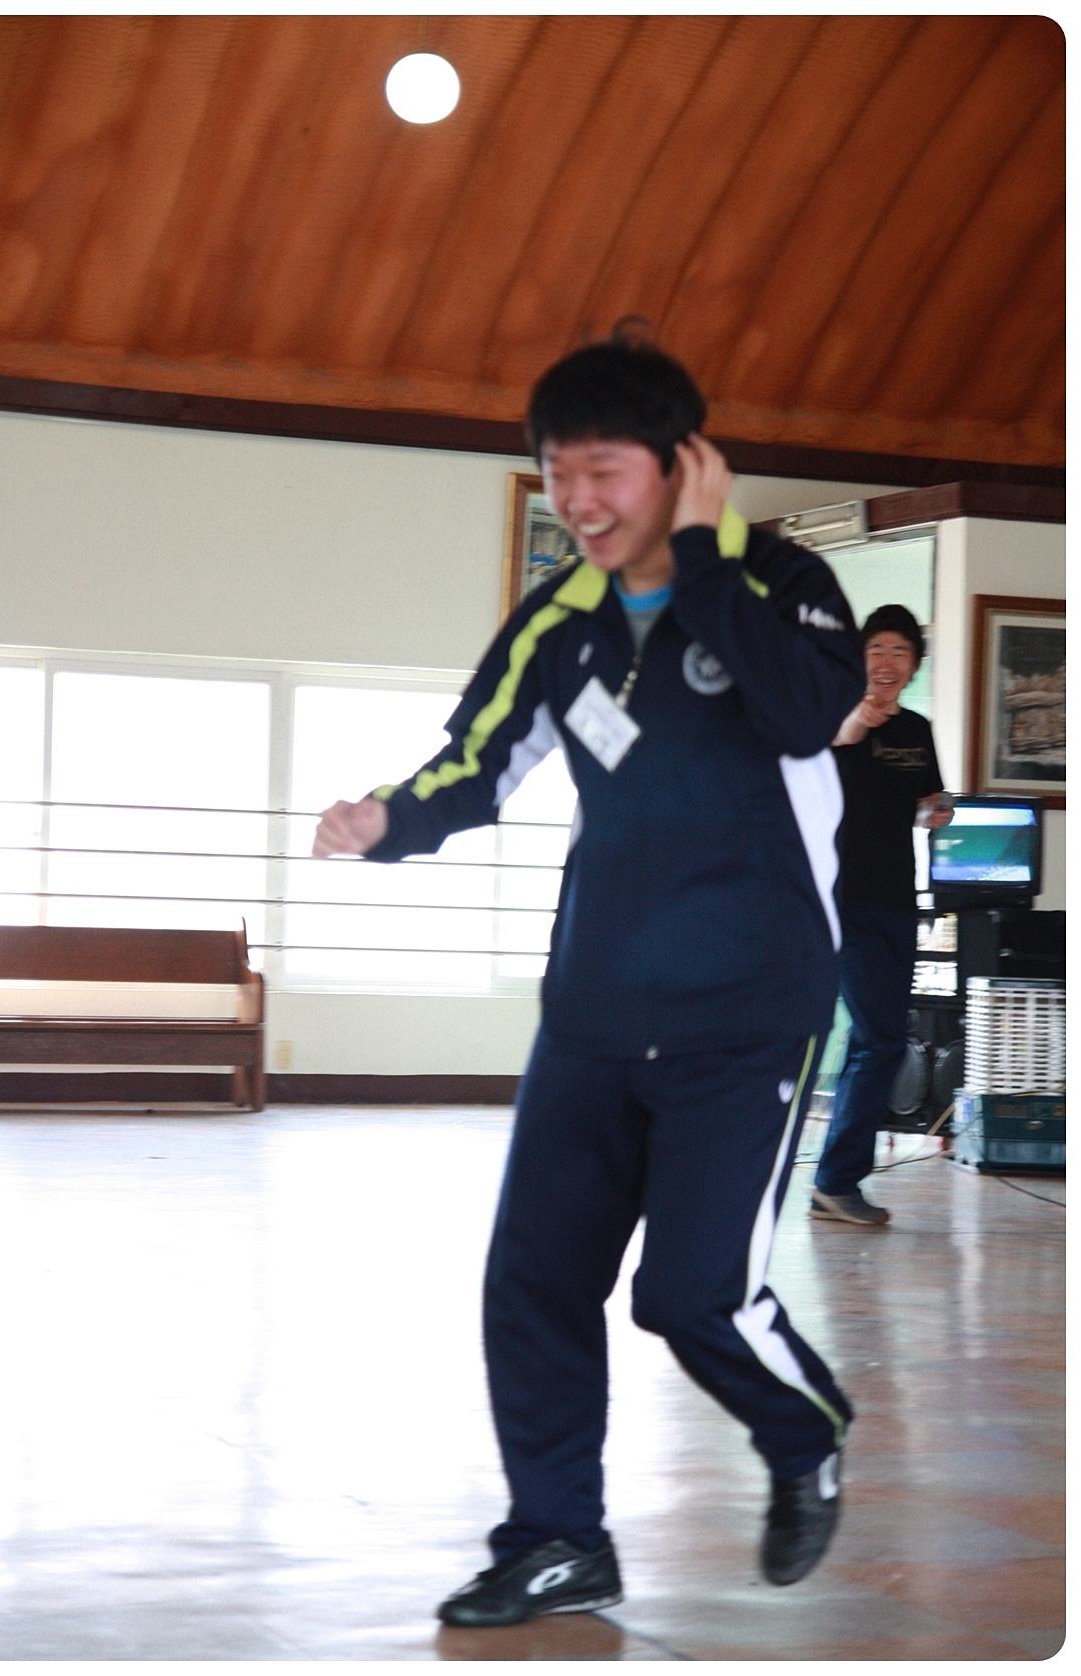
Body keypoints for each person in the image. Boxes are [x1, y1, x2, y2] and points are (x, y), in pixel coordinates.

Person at [313, 335, 866, 1626]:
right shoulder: (559, 618)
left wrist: (710, 558)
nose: (576, 501)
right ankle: (557, 1536)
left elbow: (799, 713)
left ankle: (803, 1435)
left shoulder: (783, 583)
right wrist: (386, 819)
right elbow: (478, 757)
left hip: (746, 1012)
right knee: (534, 1280)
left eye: (601, 471)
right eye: (557, 474)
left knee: (690, 1296)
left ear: (681, 464)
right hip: (595, 1011)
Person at [811, 605, 951, 1226]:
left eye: (899, 651)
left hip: (898, 900)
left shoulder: (917, 730)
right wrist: (856, 720)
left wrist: (936, 811)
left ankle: (834, 1180)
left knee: (874, 1038)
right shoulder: (834, 715)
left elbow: (925, 801)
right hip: (844, 900)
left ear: (913, 665)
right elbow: (834, 740)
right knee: (882, 1041)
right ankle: (835, 1180)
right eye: (876, 649)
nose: (886, 662)